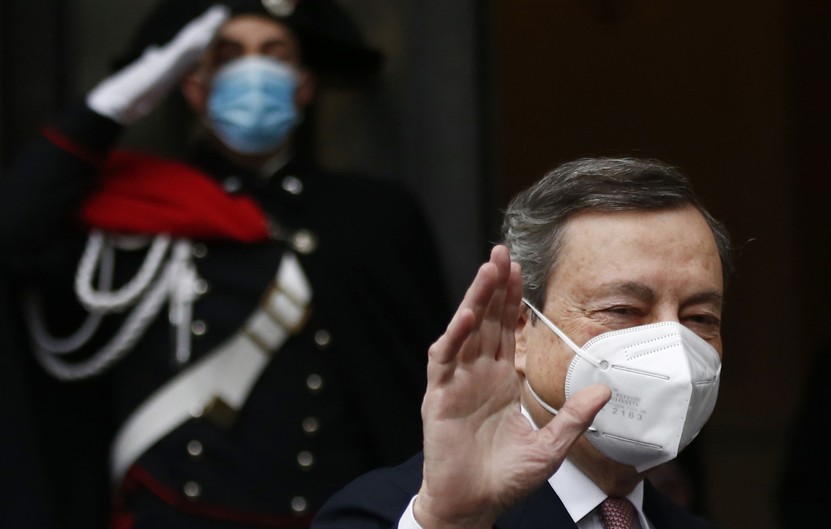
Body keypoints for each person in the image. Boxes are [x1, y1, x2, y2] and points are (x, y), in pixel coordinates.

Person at [0, 1, 447, 528]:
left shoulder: (371, 215)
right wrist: (110, 110)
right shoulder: (133, 211)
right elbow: (14, 233)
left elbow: (415, 377)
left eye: (273, 53)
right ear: (193, 87)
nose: (252, 71)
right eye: (228, 56)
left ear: (303, 86)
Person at [312, 157, 732, 529]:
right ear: (519, 330)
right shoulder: (393, 513)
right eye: (622, 310)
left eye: (699, 318)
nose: (671, 343)